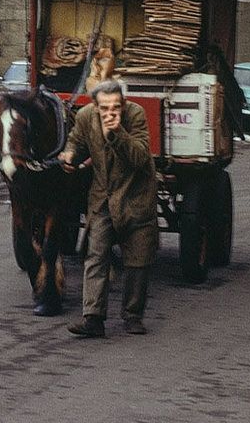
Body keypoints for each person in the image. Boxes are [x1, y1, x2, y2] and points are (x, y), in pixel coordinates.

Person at [58, 78, 157, 337]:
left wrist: (117, 134)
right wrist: (69, 155)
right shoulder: (86, 117)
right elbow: (75, 142)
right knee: (96, 255)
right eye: (105, 108)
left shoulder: (135, 115)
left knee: (138, 260)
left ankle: (133, 315)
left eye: (116, 108)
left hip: (135, 195)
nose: (110, 113)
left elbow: (139, 157)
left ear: (123, 105)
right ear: (95, 106)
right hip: (102, 196)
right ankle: (93, 318)